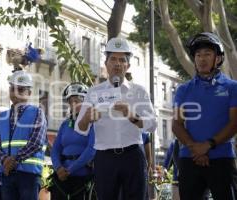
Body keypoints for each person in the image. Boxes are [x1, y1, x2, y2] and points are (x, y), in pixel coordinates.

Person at [75, 37, 157, 200]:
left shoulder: (139, 91)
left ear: (128, 66)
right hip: (105, 158)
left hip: (133, 155)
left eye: (122, 60)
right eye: (113, 59)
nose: (117, 63)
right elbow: (80, 128)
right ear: (106, 64)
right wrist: (87, 118)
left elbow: (152, 125)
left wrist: (131, 115)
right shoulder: (93, 92)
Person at [172, 32, 237, 200]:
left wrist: (208, 145)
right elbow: (176, 124)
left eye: (207, 54)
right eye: (198, 55)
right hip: (189, 158)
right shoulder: (183, 90)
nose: (202, 59)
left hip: (222, 158)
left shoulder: (232, 87)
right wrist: (195, 147)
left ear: (218, 58)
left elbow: (234, 123)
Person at [0, 70, 48, 200]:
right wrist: (4, 160)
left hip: (29, 175)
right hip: (7, 173)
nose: (16, 93)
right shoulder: (2, 116)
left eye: (20, 90)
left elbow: (36, 142)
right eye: (12, 89)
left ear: (29, 93)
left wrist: (14, 160)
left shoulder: (37, 113)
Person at [50, 82, 96, 200]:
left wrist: (70, 170)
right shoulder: (65, 124)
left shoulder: (93, 123)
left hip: (82, 178)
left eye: (77, 101)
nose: (74, 104)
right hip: (62, 177)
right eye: (71, 102)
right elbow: (55, 149)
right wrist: (58, 168)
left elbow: (91, 150)